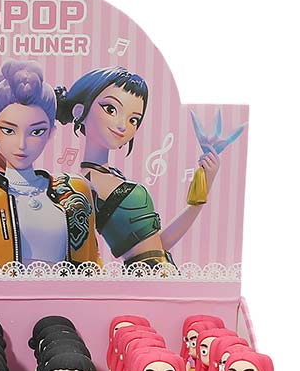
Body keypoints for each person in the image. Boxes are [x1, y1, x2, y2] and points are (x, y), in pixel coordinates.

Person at [55, 67, 221, 265]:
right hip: (147, 275)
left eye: (133, 119)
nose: (123, 125)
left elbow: (158, 245)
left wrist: (203, 187)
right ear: (79, 111)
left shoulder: (112, 176)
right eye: (111, 109)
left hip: (159, 272)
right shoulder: (82, 184)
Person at [0, 61, 99, 268]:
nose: (22, 144)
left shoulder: (75, 192)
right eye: (9, 130)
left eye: (36, 131)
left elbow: (93, 269)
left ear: (51, 132)